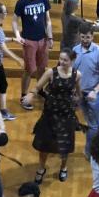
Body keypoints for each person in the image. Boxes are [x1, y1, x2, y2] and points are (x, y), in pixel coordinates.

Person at [27, 49, 81, 181]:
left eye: (65, 60)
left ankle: (63, 167)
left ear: (72, 61)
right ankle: (41, 167)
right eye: (60, 59)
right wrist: (30, 95)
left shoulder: (77, 74)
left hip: (66, 113)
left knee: (65, 144)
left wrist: (78, 100)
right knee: (44, 143)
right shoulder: (51, 72)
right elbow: (37, 87)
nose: (61, 62)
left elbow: (78, 93)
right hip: (50, 112)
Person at [73, 23, 99, 159]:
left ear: (93, 37)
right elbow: (72, 72)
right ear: (79, 36)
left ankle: (89, 152)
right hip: (81, 93)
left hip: (96, 95)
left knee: (91, 125)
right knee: (94, 121)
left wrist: (95, 91)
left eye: (88, 37)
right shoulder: (75, 50)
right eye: (83, 37)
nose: (85, 40)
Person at [12, 0, 53, 103]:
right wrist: (18, 35)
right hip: (29, 40)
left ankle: (40, 89)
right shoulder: (22, 2)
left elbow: (48, 20)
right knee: (29, 70)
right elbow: (14, 21)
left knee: (42, 68)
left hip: (43, 39)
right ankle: (23, 95)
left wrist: (50, 37)